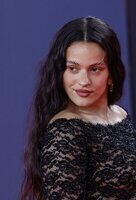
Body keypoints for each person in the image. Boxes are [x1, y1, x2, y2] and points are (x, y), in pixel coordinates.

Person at [20, 16, 136, 200]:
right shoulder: (65, 131)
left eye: (95, 69)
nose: (83, 81)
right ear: (61, 72)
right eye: (73, 68)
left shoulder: (119, 115)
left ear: (112, 74)